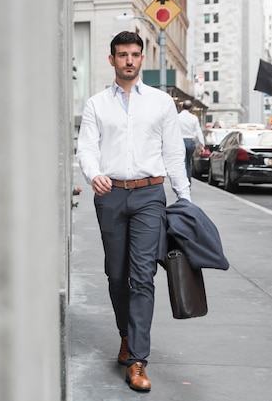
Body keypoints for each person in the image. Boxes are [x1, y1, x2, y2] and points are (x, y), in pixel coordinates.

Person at [76, 31, 190, 392]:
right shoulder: (96, 104)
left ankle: (138, 359)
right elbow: (87, 148)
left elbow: (173, 153)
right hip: (110, 196)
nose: (129, 60)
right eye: (122, 54)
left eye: (135, 54)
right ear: (112, 60)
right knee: (115, 275)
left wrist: (183, 198)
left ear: (143, 59)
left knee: (142, 277)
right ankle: (125, 334)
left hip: (149, 196)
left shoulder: (160, 103)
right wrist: (94, 174)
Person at [177, 100, 205, 182]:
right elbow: (198, 131)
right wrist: (202, 144)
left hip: (180, 141)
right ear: (191, 108)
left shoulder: (177, 117)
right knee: (188, 163)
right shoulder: (194, 118)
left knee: (182, 163)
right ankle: (188, 182)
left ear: (182, 107)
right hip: (190, 141)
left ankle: (181, 182)